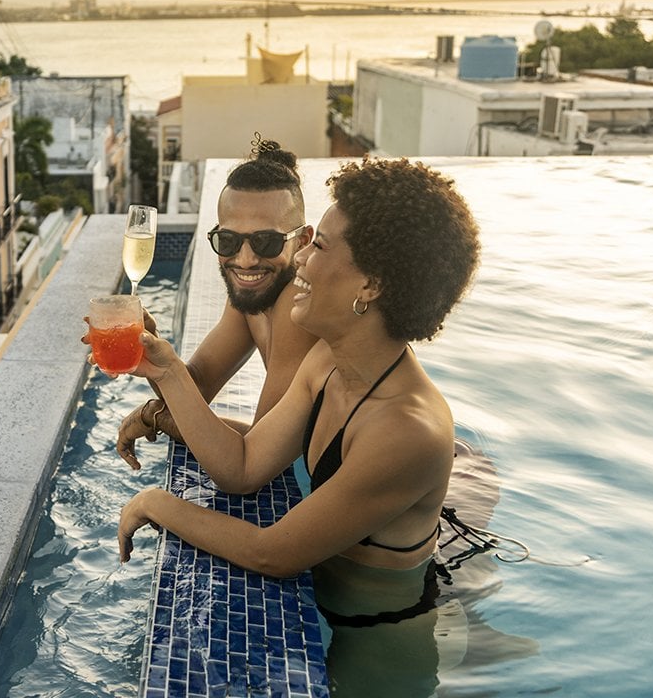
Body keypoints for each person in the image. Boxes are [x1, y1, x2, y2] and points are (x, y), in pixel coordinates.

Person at [116, 157, 481, 692]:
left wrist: (155, 502)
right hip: (327, 603)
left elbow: (276, 553)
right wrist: (164, 369)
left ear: (372, 283)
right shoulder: (329, 360)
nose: (301, 259)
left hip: (378, 644)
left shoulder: (407, 429)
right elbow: (242, 469)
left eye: (319, 246)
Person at [115, 138, 317, 469]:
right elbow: (196, 386)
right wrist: (153, 351)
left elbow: (254, 458)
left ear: (303, 240)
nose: (246, 260)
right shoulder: (252, 297)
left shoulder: (299, 308)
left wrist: (156, 417)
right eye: (229, 241)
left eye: (266, 242)